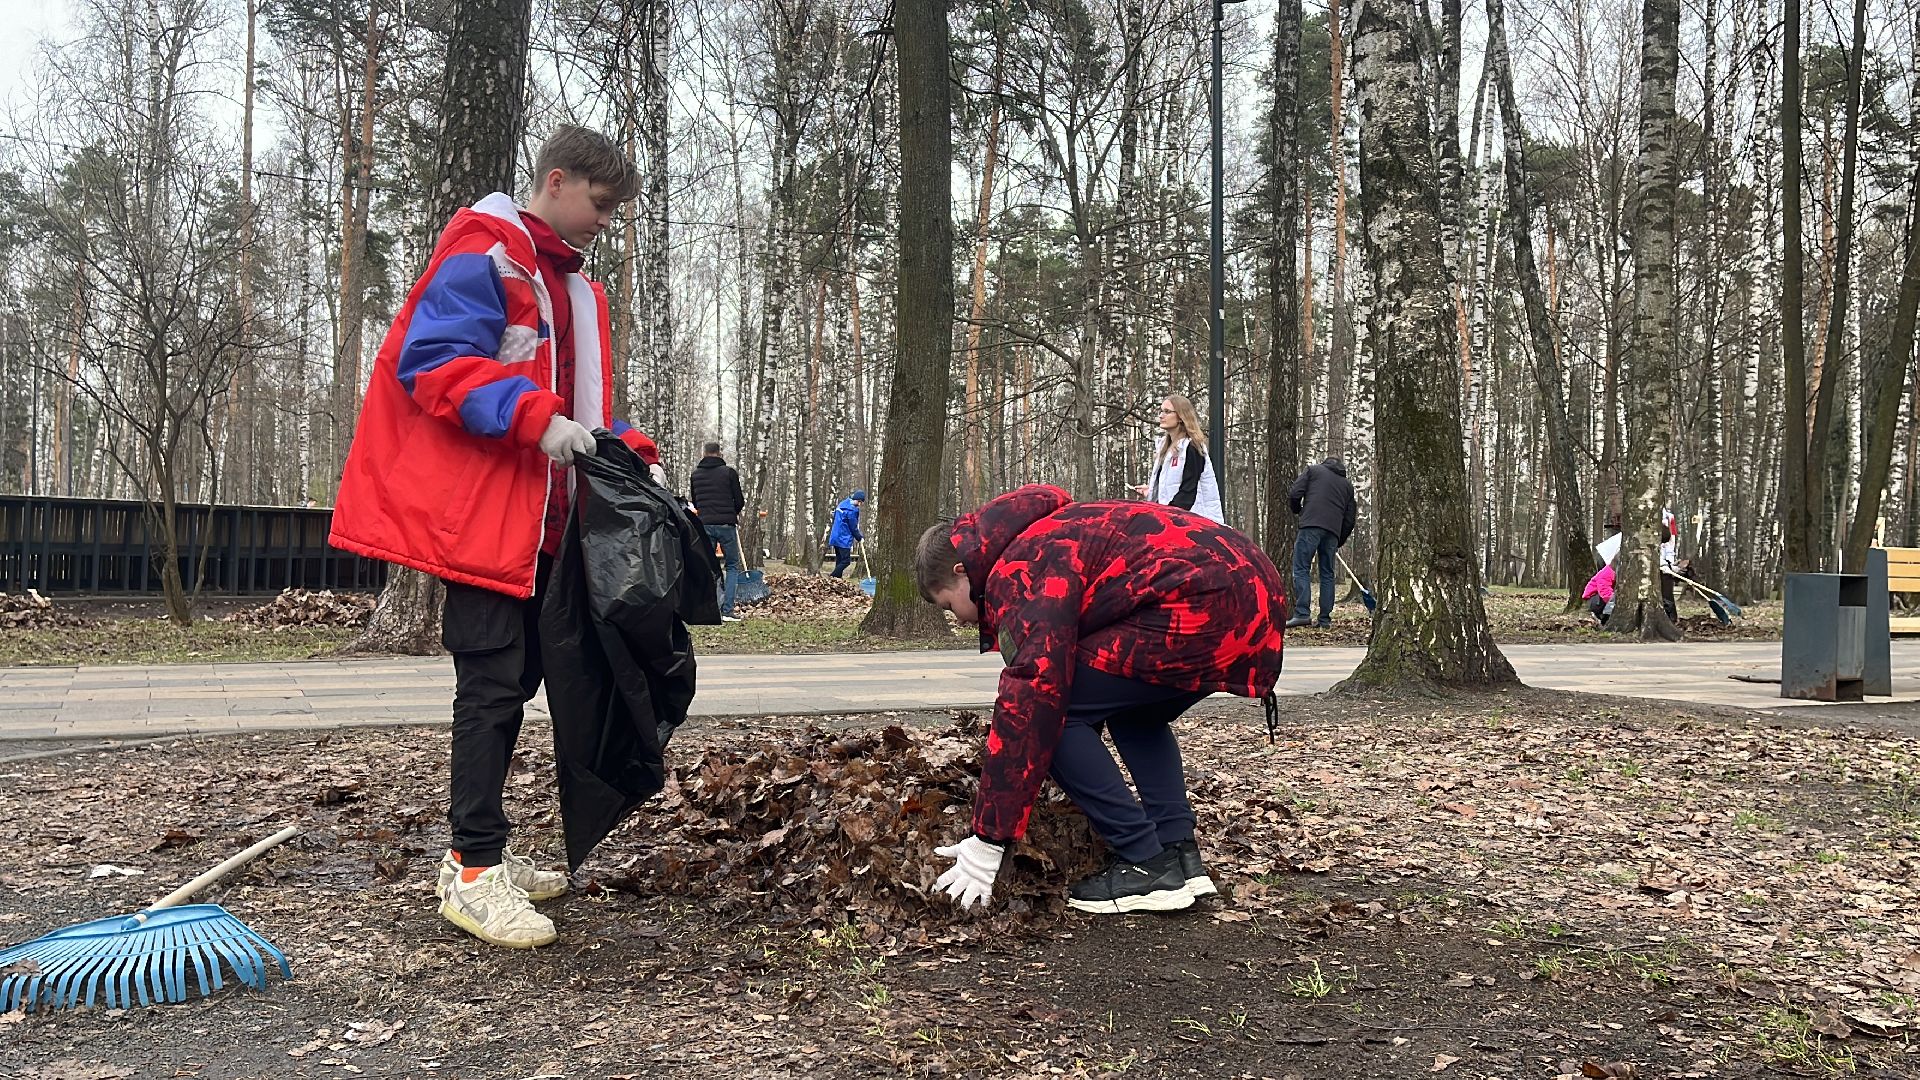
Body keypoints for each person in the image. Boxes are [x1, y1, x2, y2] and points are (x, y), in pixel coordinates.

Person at [330, 125, 659, 950]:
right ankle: (471, 871)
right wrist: (531, 417)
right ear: (557, 180)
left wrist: (622, 447)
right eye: (602, 203)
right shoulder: (486, 256)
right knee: (491, 688)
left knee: (527, 686)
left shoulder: (567, 284)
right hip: (486, 524)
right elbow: (432, 362)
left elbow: (569, 403)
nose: (606, 222)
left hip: (546, 527)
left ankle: (490, 853)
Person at [912, 485, 1286, 915]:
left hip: (1203, 601)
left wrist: (988, 838)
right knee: (1135, 713)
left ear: (962, 571)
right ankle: (1179, 853)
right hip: (1254, 592)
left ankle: (1147, 864)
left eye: (947, 605)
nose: (958, 619)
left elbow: (1033, 697)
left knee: (1056, 713)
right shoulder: (1047, 532)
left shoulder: (1021, 566)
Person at [1284, 457, 1357, 629]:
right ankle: (1324, 619)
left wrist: (1299, 511)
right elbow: (1350, 518)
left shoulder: (1313, 470)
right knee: (1327, 574)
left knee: (1301, 568)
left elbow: (1295, 493)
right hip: (1332, 531)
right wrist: (1339, 538)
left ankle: (1302, 613)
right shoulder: (1347, 486)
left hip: (1310, 525)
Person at [1130, 393, 1223, 523]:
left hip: (1196, 523)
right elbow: (1171, 488)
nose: (1161, 416)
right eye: (1161, 411)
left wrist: (1166, 516)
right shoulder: (1164, 448)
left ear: (1180, 416)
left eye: (1167, 412)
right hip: (1173, 520)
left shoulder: (1192, 447)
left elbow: (1188, 491)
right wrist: (1151, 492)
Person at [690, 441, 746, 622]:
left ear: (704, 453)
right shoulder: (729, 473)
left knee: (710, 568)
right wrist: (731, 513)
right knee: (731, 566)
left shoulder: (695, 475)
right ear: (719, 453)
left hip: (705, 524)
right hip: (726, 525)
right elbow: (739, 501)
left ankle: (710, 608)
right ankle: (727, 609)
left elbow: (696, 502)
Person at [827, 490, 866, 578]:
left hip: (835, 536)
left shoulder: (842, 504)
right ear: (856, 499)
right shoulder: (852, 510)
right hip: (843, 539)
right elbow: (853, 527)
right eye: (859, 502)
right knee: (846, 561)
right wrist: (859, 538)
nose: (859, 504)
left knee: (839, 560)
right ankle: (832, 577)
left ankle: (836, 580)